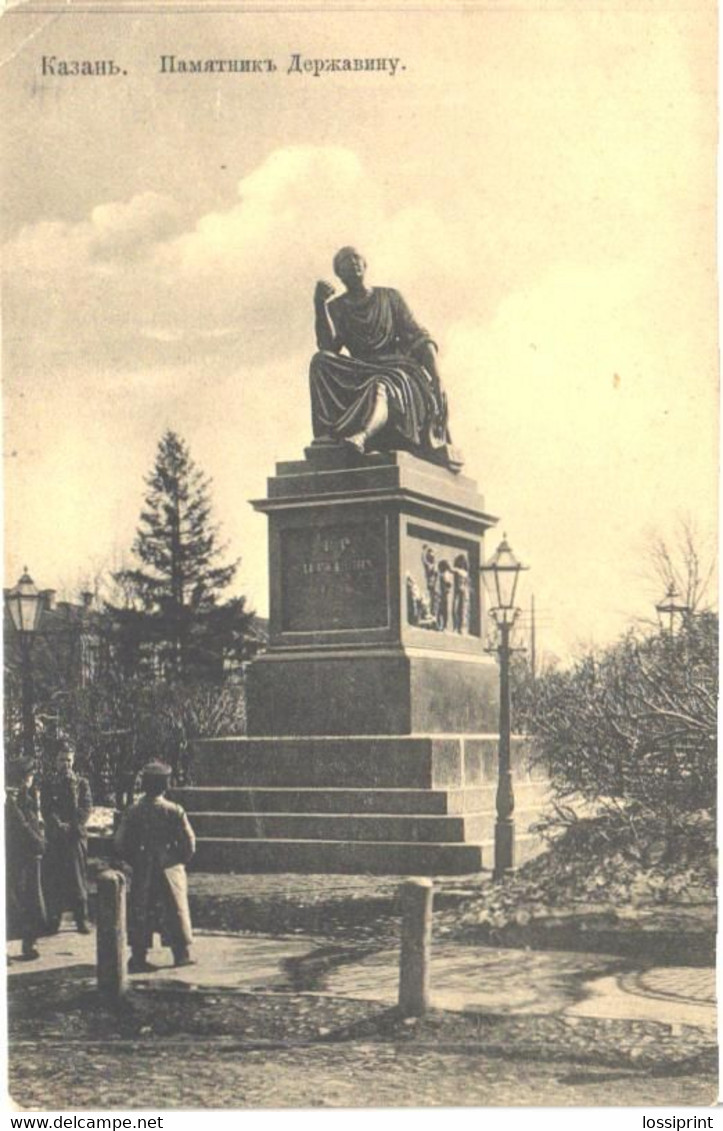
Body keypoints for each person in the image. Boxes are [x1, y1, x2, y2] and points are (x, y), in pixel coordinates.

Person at [310, 248, 458, 465]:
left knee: (381, 385)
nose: (353, 263)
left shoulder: (390, 297)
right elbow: (328, 347)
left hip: (395, 367)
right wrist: (319, 306)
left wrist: (437, 377)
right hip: (359, 368)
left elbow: (419, 336)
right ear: (338, 274)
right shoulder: (336, 307)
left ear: (365, 264)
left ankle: (362, 436)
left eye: (356, 258)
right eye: (345, 261)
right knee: (320, 361)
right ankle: (327, 437)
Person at [114, 761, 196, 974]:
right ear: (165, 785)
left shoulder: (133, 811)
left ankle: (139, 956)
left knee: (141, 911)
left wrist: (136, 860)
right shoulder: (175, 811)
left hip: (143, 869)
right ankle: (181, 954)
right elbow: (189, 844)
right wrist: (177, 861)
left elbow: (120, 843)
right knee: (175, 910)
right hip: (170, 869)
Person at [41, 746, 92, 934]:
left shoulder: (81, 783)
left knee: (78, 879)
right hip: (55, 838)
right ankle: (54, 919)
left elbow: (86, 809)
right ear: (56, 762)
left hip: (75, 838)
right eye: (62, 760)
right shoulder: (48, 783)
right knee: (54, 879)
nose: (66, 764)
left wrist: (71, 826)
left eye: (69, 760)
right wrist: (58, 825)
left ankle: (81, 919)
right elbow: (46, 808)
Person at [5, 759, 47, 960]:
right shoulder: (11, 800)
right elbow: (22, 826)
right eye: (29, 776)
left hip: (31, 856)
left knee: (32, 900)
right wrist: (39, 842)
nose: (31, 780)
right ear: (23, 777)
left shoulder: (28, 796)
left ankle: (29, 944)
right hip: (20, 856)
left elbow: (35, 822)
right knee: (17, 901)